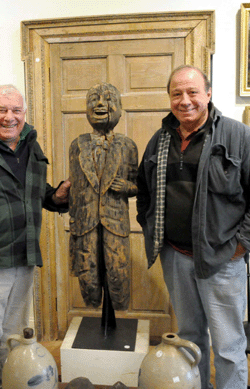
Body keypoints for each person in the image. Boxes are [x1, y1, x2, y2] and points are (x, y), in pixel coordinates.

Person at [136, 65, 250, 389]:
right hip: (176, 258)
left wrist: (242, 244)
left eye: (192, 92)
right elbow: (143, 192)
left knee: (228, 347)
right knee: (190, 341)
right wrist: (152, 232)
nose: (185, 100)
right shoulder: (159, 141)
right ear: (170, 98)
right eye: (177, 93)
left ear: (208, 94)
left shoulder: (240, 137)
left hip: (222, 261)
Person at [0, 84, 70, 389]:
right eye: (2, 110)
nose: (9, 117)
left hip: (23, 262)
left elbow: (34, 193)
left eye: (16, 110)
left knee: (12, 344)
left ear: (24, 113)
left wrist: (57, 196)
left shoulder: (31, 145)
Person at [69, 82, 138, 316]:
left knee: (117, 272)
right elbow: (75, 188)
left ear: (118, 107)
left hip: (116, 222)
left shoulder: (127, 145)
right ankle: (94, 310)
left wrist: (127, 186)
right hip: (85, 223)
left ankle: (117, 314)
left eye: (108, 99)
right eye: (94, 99)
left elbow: (139, 184)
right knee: (88, 275)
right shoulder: (77, 145)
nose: (100, 104)